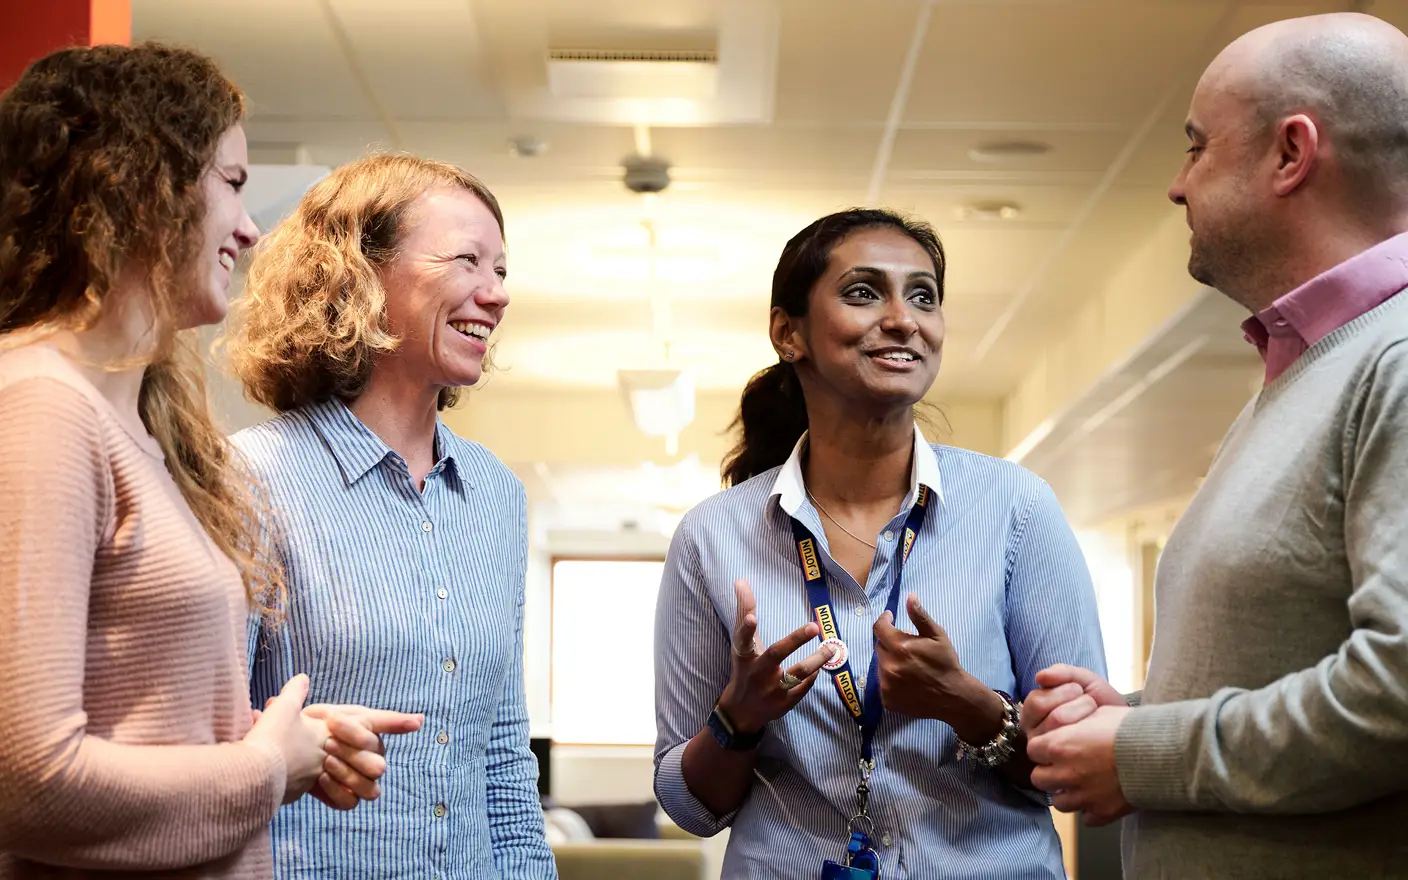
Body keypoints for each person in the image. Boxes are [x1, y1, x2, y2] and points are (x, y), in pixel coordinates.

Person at [0, 43, 414, 878]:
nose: (253, 226)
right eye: (231, 182)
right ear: (137, 182)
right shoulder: (38, 408)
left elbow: (135, 722)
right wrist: (266, 768)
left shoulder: (145, 430)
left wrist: (282, 740)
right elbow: (28, 781)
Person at [1021, 12, 1408, 879]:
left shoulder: (1397, 361)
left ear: (1290, 153)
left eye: (1196, 147)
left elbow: (1399, 694)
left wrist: (1145, 750)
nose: (1176, 185)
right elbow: (1294, 653)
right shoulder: (1306, 368)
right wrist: (1135, 711)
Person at [652, 208, 1106, 879]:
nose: (903, 319)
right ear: (789, 333)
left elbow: (1085, 756)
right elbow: (692, 807)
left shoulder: (1016, 509)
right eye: (864, 292)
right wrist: (735, 720)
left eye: (923, 296)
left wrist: (971, 707)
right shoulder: (713, 537)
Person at [226, 154, 556, 878]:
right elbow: (203, 741)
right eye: (468, 260)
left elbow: (501, 750)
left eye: (501, 269)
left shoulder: (496, 496)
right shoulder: (249, 478)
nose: (495, 294)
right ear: (358, 274)